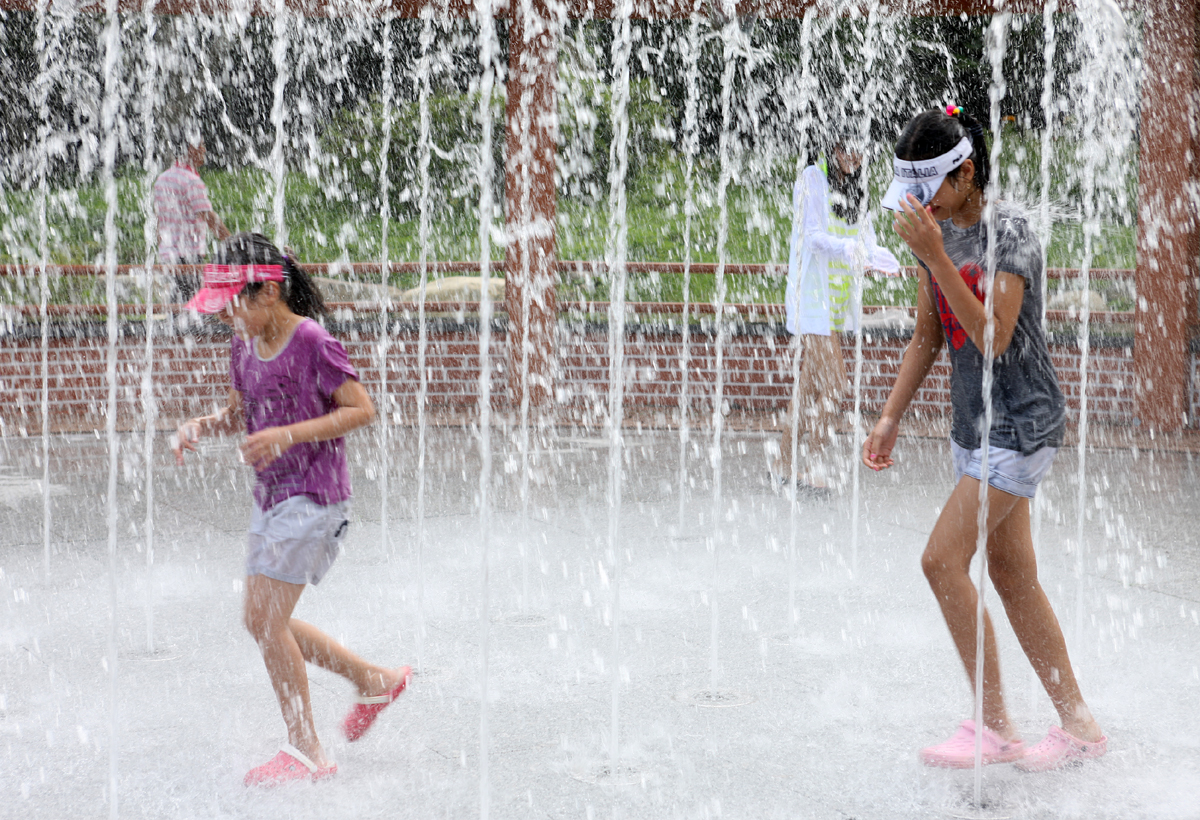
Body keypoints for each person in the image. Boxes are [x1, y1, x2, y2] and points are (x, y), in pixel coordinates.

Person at [863, 105, 1106, 771]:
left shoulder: (1011, 234)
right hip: (974, 428)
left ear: (967, 173)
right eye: (912, 196)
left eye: (930, 191)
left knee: (941, 561)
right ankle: (1078, 723)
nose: (921, 207)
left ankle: (995, 725)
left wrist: (936, 256)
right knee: (1011, 574)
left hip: (1021, 424)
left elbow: (994, 337)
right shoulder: (934, 235)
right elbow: (928, 335)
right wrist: (889, 418)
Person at [172, 232, 410, 787]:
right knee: (260, 620)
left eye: (233, 305)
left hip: (315, 495)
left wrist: (287, 435)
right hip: (272, 496)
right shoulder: (243, 343)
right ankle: (373, 679)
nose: (226, 318)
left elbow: (361, 409)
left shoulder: (312, 341)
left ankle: (307, 750)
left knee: (267, 621)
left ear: (268, 293)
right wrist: (201, 427)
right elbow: (241, 411)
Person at [778, 138, 900, 491]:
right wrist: (851, 249)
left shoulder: (857, 189)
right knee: (835, 386)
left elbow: (867, 237)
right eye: (846, 149)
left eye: (860, 151)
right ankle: (810, 466)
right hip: (813, 300)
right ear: (832, 147)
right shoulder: (813, 178)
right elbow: (813, 236)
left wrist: (877, 257)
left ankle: (783, 463)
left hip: (834, 304)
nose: (853, 157)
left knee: (809, 388)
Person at [154, 135, 230, 301]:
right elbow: (208, 217)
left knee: (177, 301)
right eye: (201, 146)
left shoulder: (162, 179)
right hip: (187, 254)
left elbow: (159, 220)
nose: (204, 150)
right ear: (190, 148)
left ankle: (174, 326)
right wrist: (232, 242)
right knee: (191, 303)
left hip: (167, 254)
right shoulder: (191, 181)